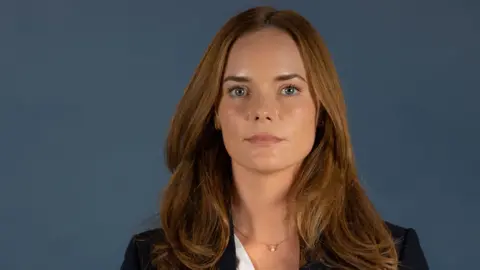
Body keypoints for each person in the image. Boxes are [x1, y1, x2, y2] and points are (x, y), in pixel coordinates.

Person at [120, 6, 429, 270]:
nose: (263, 111)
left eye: (289, 89)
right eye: (239, 91)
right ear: (214, 111)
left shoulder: (390, 257)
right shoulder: (153, 259)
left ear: (320, 111)